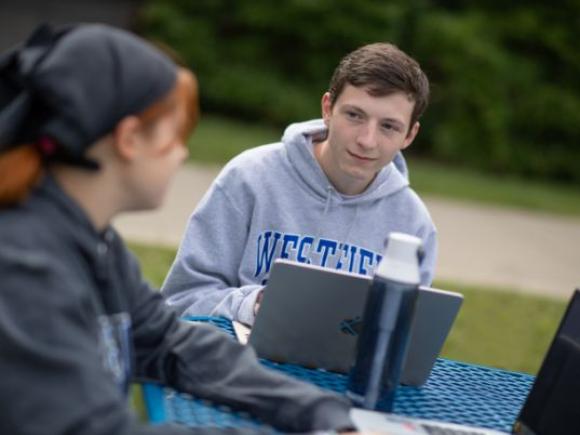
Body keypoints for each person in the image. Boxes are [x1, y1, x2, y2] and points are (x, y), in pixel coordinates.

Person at [0, 23, 359, 434]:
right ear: (129, 139)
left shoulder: (95, 242)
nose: (183, 154)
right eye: (176, 136)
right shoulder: (23, 267)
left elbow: (172, 343)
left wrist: (324, 414)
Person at [162, 43, 437, 326]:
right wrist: (253, 305)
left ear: (409, 135)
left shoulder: (413, 224)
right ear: (328, 108)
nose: (367, 140)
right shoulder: (249, 177)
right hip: (237, 361)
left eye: (388, 126)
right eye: (355, 115)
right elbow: (181, 299)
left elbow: (408, 335)